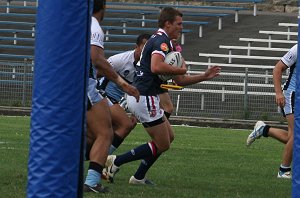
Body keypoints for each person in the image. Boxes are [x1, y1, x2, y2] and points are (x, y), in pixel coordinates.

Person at [105, 7, 221, 185]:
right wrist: (181, 68)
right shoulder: (161, 41)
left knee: (168, 138)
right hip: (144, 97)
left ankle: (138, 177)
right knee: (163, 143)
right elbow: (156, 67)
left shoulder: (165, 43)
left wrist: (204, 76)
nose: (181, 27)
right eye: (178, 24)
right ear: (167, 24)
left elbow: (180, 81)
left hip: (145, 96)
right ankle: (116, 161)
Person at [84, 0, 139, 193]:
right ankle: (91, 182)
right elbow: (97, 59)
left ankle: (91, 168)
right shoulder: (94, 27)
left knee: (93, 135)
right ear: (103, 7)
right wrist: (122, 83)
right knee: (105, 133)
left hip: (68, 87)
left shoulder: (81, 24)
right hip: (89, 88)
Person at [246, 44, 297, 179]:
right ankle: (283, 170)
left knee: (291, 137)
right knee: (297, 135)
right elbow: (277, 69)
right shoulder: (297, 48)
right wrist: (278, 93)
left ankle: (263, 129)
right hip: (292, 94)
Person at [98, 33, 151, 155]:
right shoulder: (121, 60)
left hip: (118, 101)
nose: (145, 53)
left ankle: (100, 158)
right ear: (136, 47)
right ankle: (103, 159)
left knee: (129, 124)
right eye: (143, 48)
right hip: (103, 96)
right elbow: (97, 73)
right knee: (125, 124)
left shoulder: (147, 67)